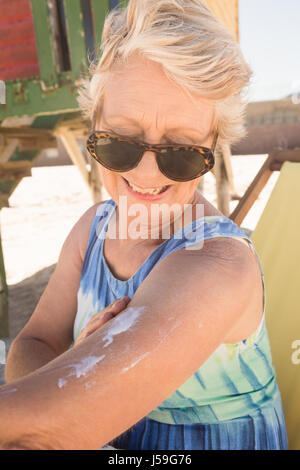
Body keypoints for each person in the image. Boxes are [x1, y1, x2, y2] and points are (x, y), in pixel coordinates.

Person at [1, 0, 288, 450]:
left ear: (214, 148)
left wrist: (67, 374)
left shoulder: (217, 266)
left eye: (182, 152)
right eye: (120, 143)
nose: (148, 176)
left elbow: (47, 430)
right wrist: (75, 365)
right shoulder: (92, 230)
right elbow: (32, 342)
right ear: (93, 124)